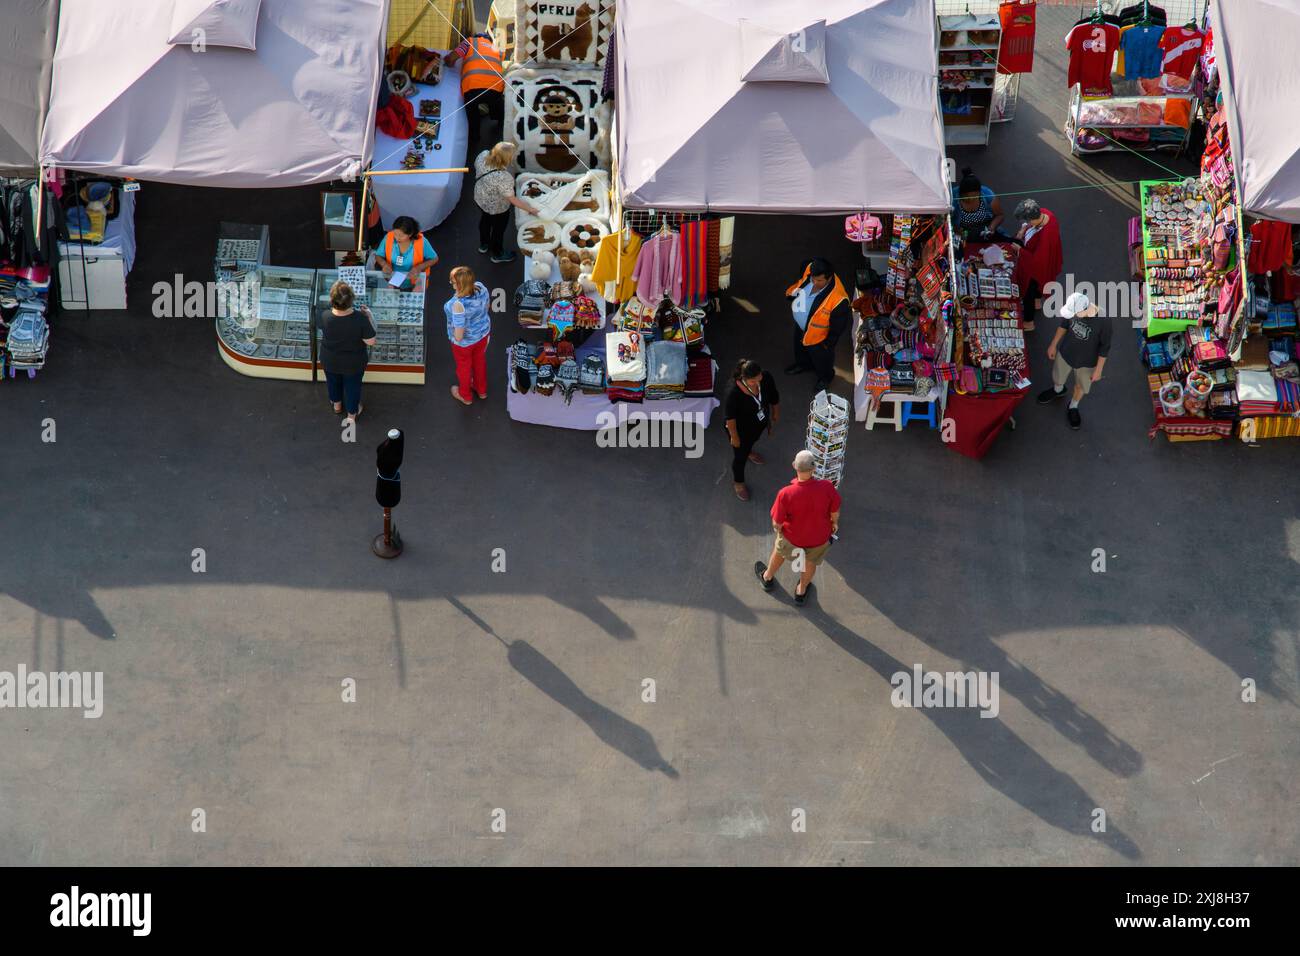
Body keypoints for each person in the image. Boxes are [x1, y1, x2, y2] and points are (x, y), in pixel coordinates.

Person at [755, 450, 841, 607]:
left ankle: (767, 578)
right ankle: (801, 591)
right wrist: (834, 523)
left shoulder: (785, 493)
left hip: (792, 538)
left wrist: (780, 531)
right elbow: (834, 512)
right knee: (810, 562)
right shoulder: (827, 487)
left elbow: (777, 523)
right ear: (814, 468)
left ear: (795, 466)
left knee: (779, 552)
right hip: (818, 539)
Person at [1038, 291, 1111, 430]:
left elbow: (1105, 347)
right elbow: (1064, 326)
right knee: (1058, 377)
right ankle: (1058, 390)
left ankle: (1073, 406)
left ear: (1084, 309)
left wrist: (1099, 369)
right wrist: (1053, 344)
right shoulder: (1073, 311)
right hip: (1066, 353)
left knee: (1080, 386)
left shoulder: (1104, 320)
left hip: (1087, 362)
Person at [784, 257, 851, 392]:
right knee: (799, 348)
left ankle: (825, 378)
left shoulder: (839, 299)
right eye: (813, 279)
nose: (814, 283)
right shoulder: (809, 267)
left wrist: (827, 344)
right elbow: (802, 280)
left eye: (819, 280)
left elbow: (838, 327)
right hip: (801, 326)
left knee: (822, 360)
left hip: (819, 338)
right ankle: (803, 364)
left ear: (830, 277)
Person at [320, 280, 377, 425]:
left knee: (333, 382)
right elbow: (371, 341)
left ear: (332, 300)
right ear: (352, 300)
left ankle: (337, 405)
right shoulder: (360, 319)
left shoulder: (325, 315)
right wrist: (369, 316)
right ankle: (352, 414)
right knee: (352, 387)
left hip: (330, 360)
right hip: (353, 363)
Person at [723, 359, 781, 502]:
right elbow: (730, 419)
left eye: (758, 379)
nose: (757, 383)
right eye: (752, 382)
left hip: (757, 424)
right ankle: (739, 483)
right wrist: (734, 437)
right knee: (739, 457)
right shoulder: (733, 392)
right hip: (740, 430)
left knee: (751, 442)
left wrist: (775, 413)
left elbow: (774, 396)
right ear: (744, 378)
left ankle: (749, 450)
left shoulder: (766, 378)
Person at [473, 142, 539, 264]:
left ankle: (484, 244)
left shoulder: (482, 155)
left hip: (480, 198)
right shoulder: (504, 177)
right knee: (498, 230)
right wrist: (530, 209)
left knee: (485, 220)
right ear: (506, 159)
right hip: (498, 208)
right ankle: (497, 254)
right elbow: (512, 199)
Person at [1013, 198, 1064, 333]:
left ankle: (1029, 322)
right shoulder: (1045, 213)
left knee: (1029, 291)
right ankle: (1037, 301)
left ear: (1032, 219)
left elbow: (1036, 261)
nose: (1026, 223)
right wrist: (1024, 229)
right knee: (1037, 285)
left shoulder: (1046, 236)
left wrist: (1019, 250)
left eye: (1027, 221)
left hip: (1038, 266)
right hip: (1043, 262)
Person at [444, 266, 492, 405]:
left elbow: (459, 336)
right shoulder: (481, 287)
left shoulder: (457, 305)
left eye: (452, 282)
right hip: (483, 335)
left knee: (464, 368)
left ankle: (465, 395)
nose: (451, 284)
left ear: (459, 285)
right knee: (479, 362)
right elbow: (487, 307)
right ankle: (481, 390)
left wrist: (452, 334)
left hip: (464, 344)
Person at [444, 32, 505, 144]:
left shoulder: (470, 42)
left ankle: (475, 136)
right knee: (497, 101)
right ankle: (501, 123)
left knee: (472, 110)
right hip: (495, 86)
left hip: (472, 86)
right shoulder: (496, 48)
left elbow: (452, 58)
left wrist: (447, 61)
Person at [373, 216, 439, 291]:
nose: (397, 238)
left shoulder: (422, 242)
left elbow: (435, 259)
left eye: (401, 236)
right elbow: (378, 255)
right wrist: (384, 264)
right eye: (395, 234)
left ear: (410, 234)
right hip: (392, 280)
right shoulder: (389, 237)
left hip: (414, 282)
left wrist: (419, 267)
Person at [951, 168, 1007, 242]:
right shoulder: (953, 197)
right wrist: (956, 231)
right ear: (960, 194)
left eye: (974, 197)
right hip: (963, 234)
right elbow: (947, 221)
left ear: (979, 193)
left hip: (985, 231)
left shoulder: (988, 195)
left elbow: (1000, 215)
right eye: (966, 197)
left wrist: (992, 227)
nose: (970, 200)